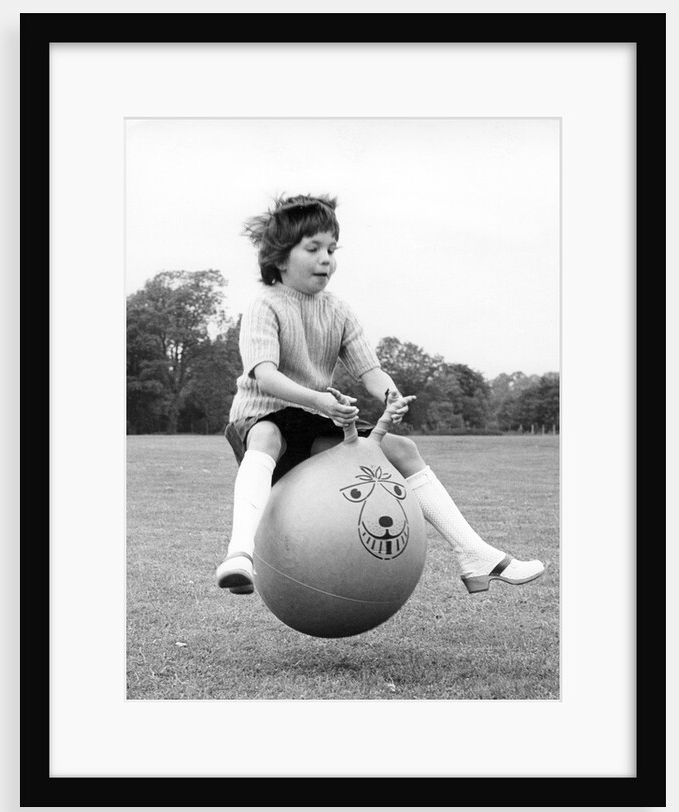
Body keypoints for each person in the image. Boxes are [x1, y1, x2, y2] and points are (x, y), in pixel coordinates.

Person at [215, 193, 544, 596]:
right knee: (268, 435)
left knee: (402, 449)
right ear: (281, 258)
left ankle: (476, 554)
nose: (326, 259)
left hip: (315, 419)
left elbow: (370, 371)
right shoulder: (264, 305)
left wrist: (391, 395)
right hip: (262, 416)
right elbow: (265, 376)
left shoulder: (339, 310)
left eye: (332, 249)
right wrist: (318, 399)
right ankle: (239, 555)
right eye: (313, 248)